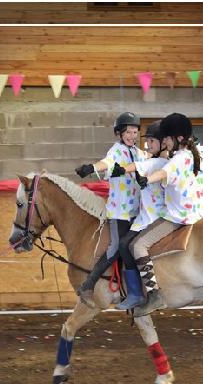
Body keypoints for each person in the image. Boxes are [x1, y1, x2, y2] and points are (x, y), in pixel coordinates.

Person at [129, 113, 203, 317]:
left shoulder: (180, 159)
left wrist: (147, 180)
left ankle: (154, 295)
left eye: (167, 138)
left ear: (179, 139)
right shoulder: (195, 154)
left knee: (137, 245)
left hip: (178, 217)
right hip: (200, 214)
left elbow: (164, 172)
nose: (164, 141)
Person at [73, 112, 147, 307]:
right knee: (116, 247)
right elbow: (106, 163)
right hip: (119, 213)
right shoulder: (116, 151)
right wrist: (92, 168)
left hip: (138, 212)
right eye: (128, 132)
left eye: (135, 131)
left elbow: (151, 160)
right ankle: (89, 284)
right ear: (119, 134)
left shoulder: (139, 153)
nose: (132, 135)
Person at [112, 120, 168, 310]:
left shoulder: (157, 162)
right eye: (148, 141)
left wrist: (121, 169)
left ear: (162, 143)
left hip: (154, 215)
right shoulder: (154, 159)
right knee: (123, 244)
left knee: (128, 245)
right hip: (145, 213)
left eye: (151, 142)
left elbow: (136, 166)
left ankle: (142, 292)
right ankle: (136, 290)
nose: (147, 145)